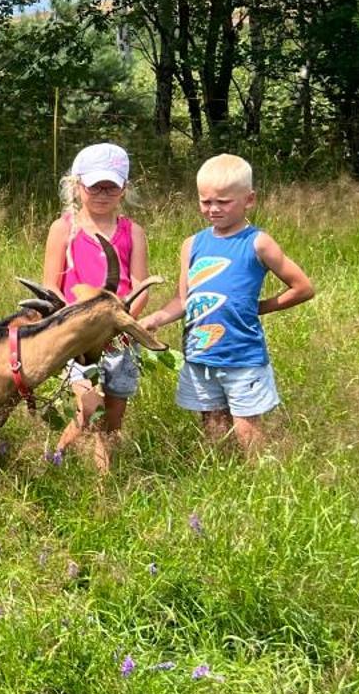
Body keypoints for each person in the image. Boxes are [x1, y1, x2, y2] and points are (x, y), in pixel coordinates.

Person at [137, 153, 315, 453]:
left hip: (241, 355)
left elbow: (303, 287)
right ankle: (221, 472)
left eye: (223, 201)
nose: (213, 209)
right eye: (206, 202)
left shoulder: (258, 242)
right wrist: (155, 319)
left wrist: (262, 306)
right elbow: (184, 299)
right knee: (212, 425)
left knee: (247, 429)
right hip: (200, 355)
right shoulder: (192, 244)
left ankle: (258, 479)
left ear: (249, 200)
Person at [41, 142, 147, 474]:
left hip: (119, 338)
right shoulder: (64, 229)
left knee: (113, 420)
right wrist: (76, 327)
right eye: (94, 186)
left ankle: (74, 463)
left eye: (111, 186)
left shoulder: (134, 233)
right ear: (77, 185)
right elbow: (50, 286)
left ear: (123, 189)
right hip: (77, 340)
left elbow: (140, 286)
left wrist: (122, 322)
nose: (102, 194)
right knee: (90, 409)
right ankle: (94, 483)